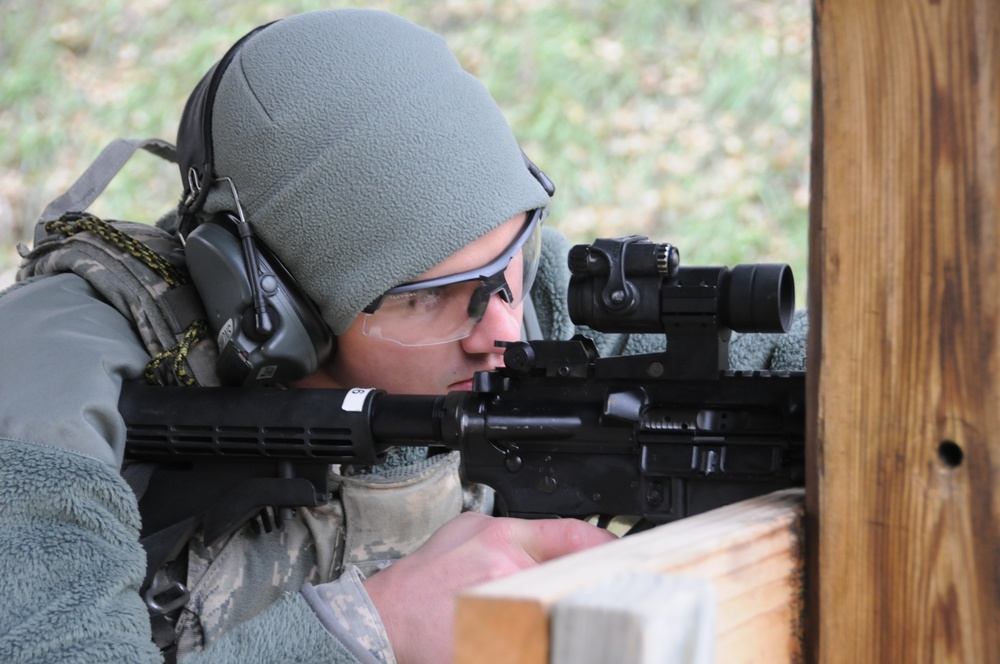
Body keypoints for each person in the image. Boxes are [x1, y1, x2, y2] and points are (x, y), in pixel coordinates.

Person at [0, 8, 806, 664]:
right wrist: (369, 628)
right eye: (432, 298)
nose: (499, 327)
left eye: (509, 260)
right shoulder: (44, 394)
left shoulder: (531, 302)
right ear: (271, 304)